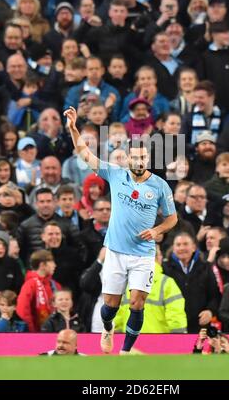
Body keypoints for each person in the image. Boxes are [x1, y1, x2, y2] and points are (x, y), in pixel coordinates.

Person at [64, 106, 177, 354]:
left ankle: (125, 353)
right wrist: (73, 129)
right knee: (110, 307)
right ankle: (107, 326)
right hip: (115, 250)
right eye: (134, 157)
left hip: (143, 254)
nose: (138, 161)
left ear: (147, 159)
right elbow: (85, 155)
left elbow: (172, 219)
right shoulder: (115, 174)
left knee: (137, 303)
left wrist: (157, 230)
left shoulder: (160, 186)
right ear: (127, 158)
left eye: (142, 158)